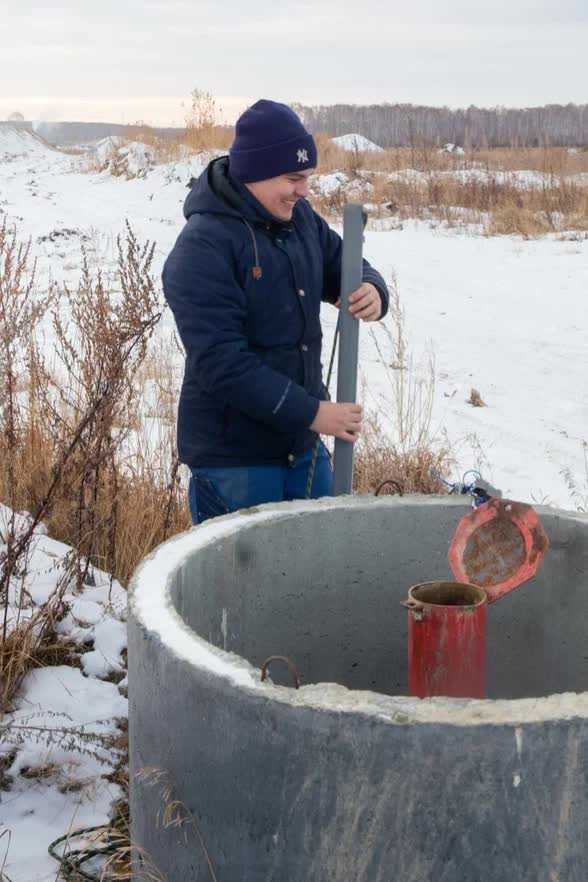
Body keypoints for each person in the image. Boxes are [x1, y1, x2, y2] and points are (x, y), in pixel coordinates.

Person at [162, 99, 389, 525]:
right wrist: (316, 413)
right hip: (235, 463)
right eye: (294, 178)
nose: (304, 190)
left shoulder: (300, 219)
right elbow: (221, 364)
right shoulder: (202, 248)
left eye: (307, 178)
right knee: (242, 588)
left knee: (317, 574)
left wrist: (371, 289)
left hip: (302, 450)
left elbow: (345, 264)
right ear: (255, 173)